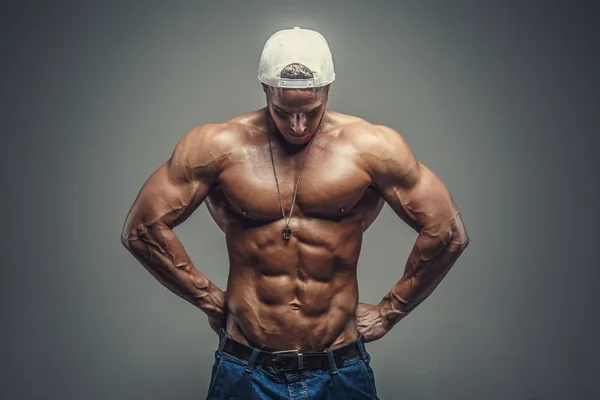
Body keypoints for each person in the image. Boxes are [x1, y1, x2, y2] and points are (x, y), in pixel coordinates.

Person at [121, 26, 470, 400]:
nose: (298, 125)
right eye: (284, 112)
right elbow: (142, 230)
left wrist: (390, 311)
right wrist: (209, 298)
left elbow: (447, 232)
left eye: (310, 112)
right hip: (244, 365)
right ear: (266, 89)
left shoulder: (372, 148)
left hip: (340, 366)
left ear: (328, 90)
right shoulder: (217, 147)